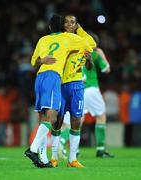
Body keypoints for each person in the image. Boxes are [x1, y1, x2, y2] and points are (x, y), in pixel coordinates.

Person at [24, 14, 93, 168]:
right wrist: (79, 31)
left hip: (39, 77)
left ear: (49, 27)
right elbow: (90, 45)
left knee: (45, 116)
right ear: (63, 28)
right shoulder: (67, 38)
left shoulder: (43, 40)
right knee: (52, 116)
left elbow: (33, 61)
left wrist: (42, 60)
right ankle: (34, 149)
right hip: (54, 77)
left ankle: (42, 158)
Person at [49, 15, 96, 168]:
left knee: (76, 121)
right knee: (57, 121)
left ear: (76, 25)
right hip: (61, 84)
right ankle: (54, 158)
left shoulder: (80, 40)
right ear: (62, 25)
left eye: (73, 22)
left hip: (77, 85)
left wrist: (88, 59)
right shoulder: (60, 39)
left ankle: (72, 159)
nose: (69, 24)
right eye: (66, 22)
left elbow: (92, 46)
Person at [82, 33, 114, 158]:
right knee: (101, 117)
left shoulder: (75, 54)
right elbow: (106, 69)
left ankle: (69, 148)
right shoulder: (95, 53)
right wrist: (102, 55)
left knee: (77, 120)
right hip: (92, 89)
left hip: (78, 90)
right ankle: (100, 149)